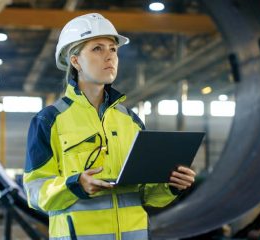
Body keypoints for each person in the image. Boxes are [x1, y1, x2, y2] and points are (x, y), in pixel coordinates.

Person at [23, 13, 196, 240]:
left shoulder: (130, 121)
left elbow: (146, 194)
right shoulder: (49, 121)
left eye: (113, 49)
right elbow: (35, 193)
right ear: (75, 61)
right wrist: (76, 185)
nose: (109, 57)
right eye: (97, 49)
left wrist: (171, 186)